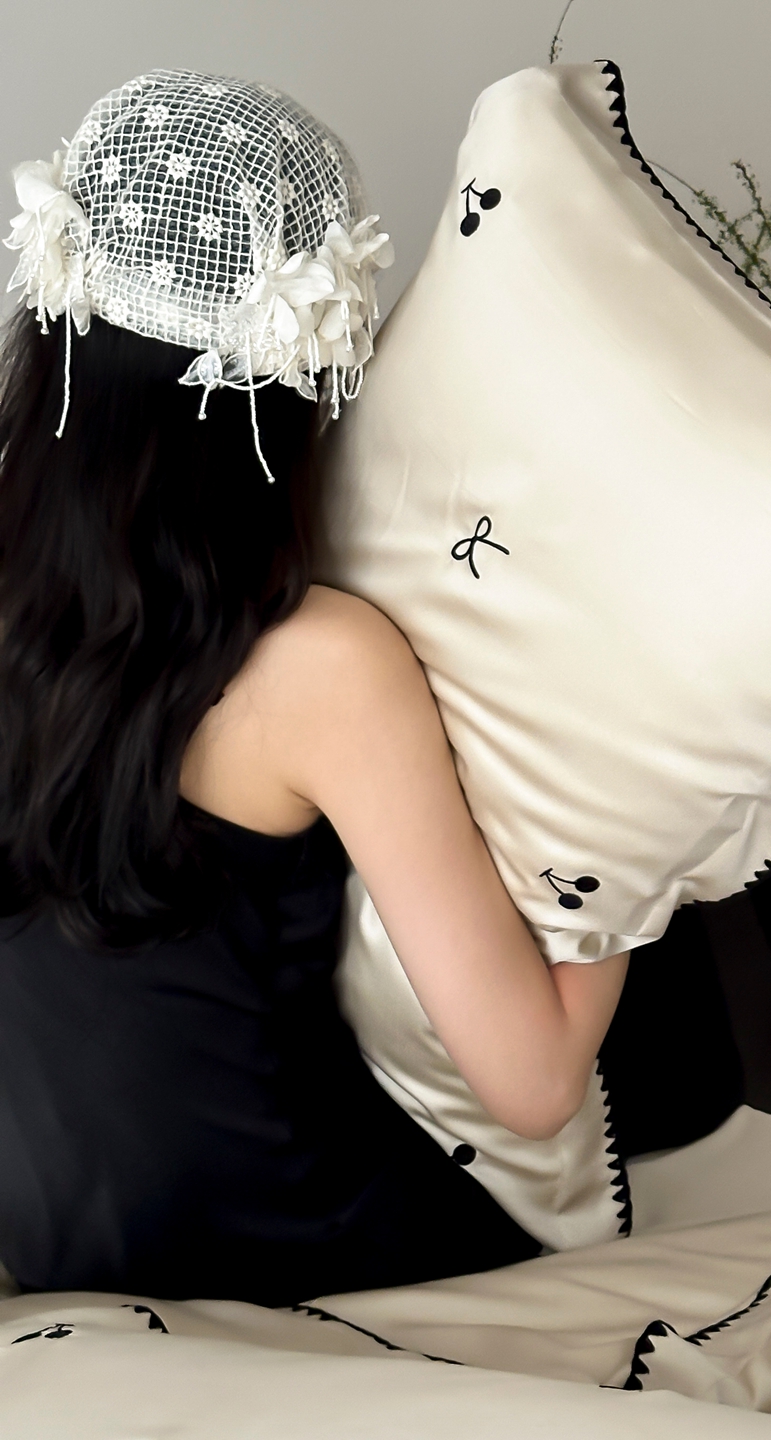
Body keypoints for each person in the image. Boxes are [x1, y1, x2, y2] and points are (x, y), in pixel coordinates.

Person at [0, 71, 626, 1305]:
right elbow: (537, 1080)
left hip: (63, 1246)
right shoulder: (320, 661)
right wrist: (628, 826)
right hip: (305, 1263)